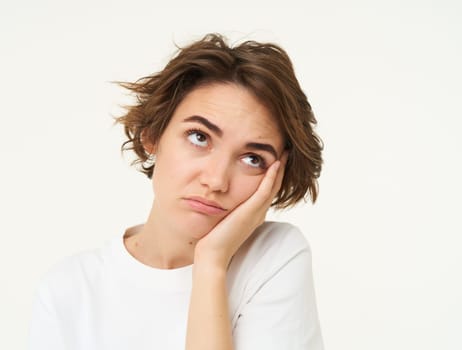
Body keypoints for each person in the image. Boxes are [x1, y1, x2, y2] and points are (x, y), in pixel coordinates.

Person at [28, 33, 324, 350]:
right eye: (199, 137)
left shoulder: (273, 256)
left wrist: (211, 262)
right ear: (153, 134)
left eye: (252, 159)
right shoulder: (70, 289)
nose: (216, 181)